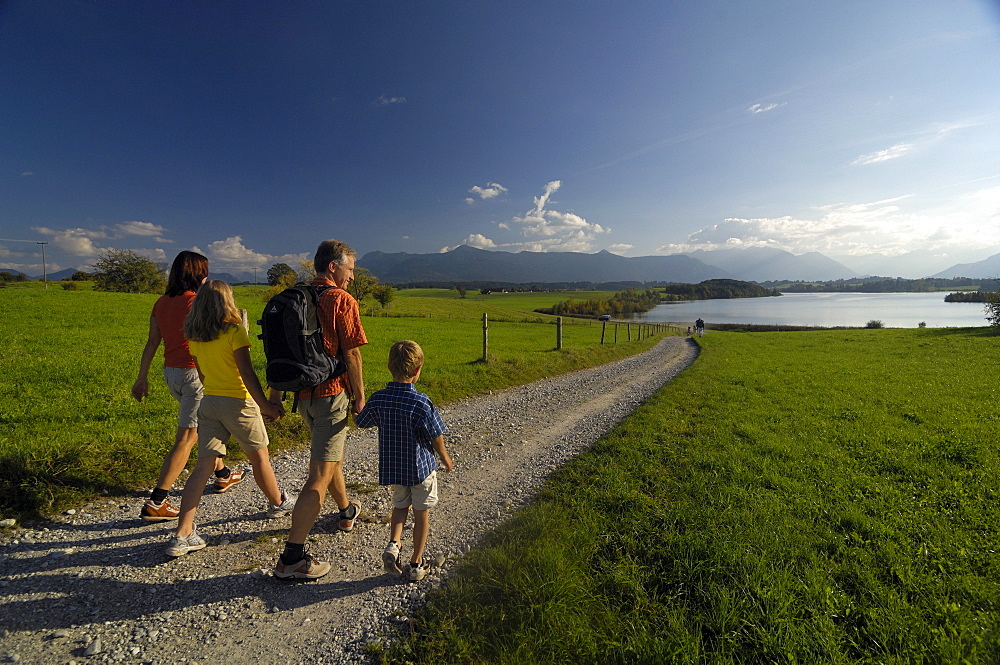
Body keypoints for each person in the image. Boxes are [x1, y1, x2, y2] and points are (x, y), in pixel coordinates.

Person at [165, 280, 294, 557]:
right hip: (239, 403)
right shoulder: (235, 332)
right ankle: (277, 504)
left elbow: (201, 375)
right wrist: (267, 406)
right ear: (227, 301)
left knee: (203, 467)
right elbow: (247, 374)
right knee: (259, 457)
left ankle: (182, 533)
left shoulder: (194, 335)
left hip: (209, 401)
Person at [273, 240, 368, 580]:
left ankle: (345, 511)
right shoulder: (341, 300)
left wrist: (275, 395)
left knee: (331, 458)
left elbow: (284, 347)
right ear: (333, 267)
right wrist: (360, 396)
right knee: (319, 474)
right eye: (350, 269)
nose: (352, 277)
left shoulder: (297, 297)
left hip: (304, 397)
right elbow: (352, 354)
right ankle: (292, 557)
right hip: (331, 395)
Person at [131, 251, 240, 523]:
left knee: (205, 425)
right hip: (195, 374)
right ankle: (158, 500)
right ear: (197, 274)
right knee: (188, 437)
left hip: (172, 374)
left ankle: (223, 475)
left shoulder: (161, 302)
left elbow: (152, 342)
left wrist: (141, 377)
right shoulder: (195, 302)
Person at [355, 340, 452, 582]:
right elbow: (435, 435)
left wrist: (355, 408)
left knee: (400, 507)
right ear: (417, 370)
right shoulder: (421, 402)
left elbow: (362, 421)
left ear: (390, 367)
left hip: (395, 469)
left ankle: (393, 545)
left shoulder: (379, 399)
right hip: (421, 470)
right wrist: (444, 457)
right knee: (421, 515)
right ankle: (416, 563)